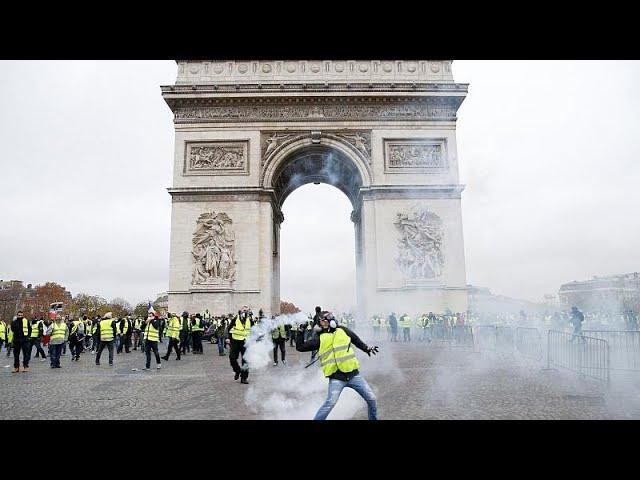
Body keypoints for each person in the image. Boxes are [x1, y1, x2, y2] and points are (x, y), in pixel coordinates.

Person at [296, 311, 379, 420]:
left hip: (354, 375)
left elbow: (356, 340)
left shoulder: (343, 330)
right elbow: (301, 347)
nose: (322, 324)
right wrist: (300, 332)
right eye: (320, 322)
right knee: (329, 404)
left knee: (372, 398)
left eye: (324, 321)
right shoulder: (320, 338)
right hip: (336, 378)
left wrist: (366, 348)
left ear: (331, 320)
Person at [226, 308, 253, 384]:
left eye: (246, 310)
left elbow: (253, 330)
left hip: (245, 342)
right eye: (243, 310)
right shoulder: (235, 319)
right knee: (232, 358)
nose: (245, 312)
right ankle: (237, 371)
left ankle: (244, 378)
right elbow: (229, 329)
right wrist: (228, 338)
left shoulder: (250, 320)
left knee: (246, 360)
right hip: (235, 341)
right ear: (240, 312)